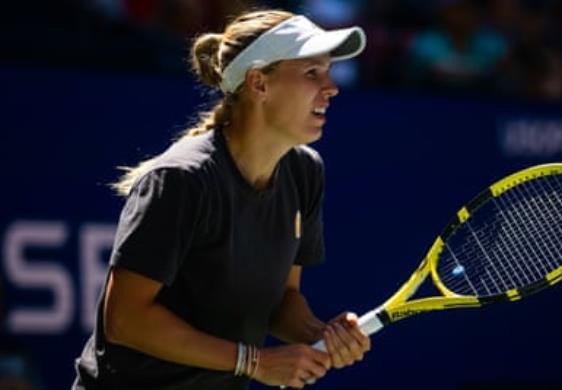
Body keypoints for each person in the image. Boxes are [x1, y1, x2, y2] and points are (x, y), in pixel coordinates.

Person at [73, 9, 370, 390]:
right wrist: (255, 362)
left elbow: (284, 297)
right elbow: (124, 321)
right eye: (312, 73)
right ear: (258, 83)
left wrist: (322, 333)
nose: (332, 88)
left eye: (328, 73)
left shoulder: (304, 172)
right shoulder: (181, 180)